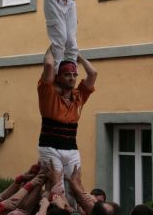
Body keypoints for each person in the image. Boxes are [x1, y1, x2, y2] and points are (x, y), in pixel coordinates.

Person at [37, 47, 97, 206]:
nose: (72, 78)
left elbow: (93, 73)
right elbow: (49, 65)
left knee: (75, 188)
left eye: (74, 75)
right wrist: (56, 44)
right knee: (57, 189)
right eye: (67, 75)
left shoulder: (79, 96)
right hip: (50, 147)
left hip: (71, 149)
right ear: (58, 77)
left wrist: (79, 57)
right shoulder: (47, 93)